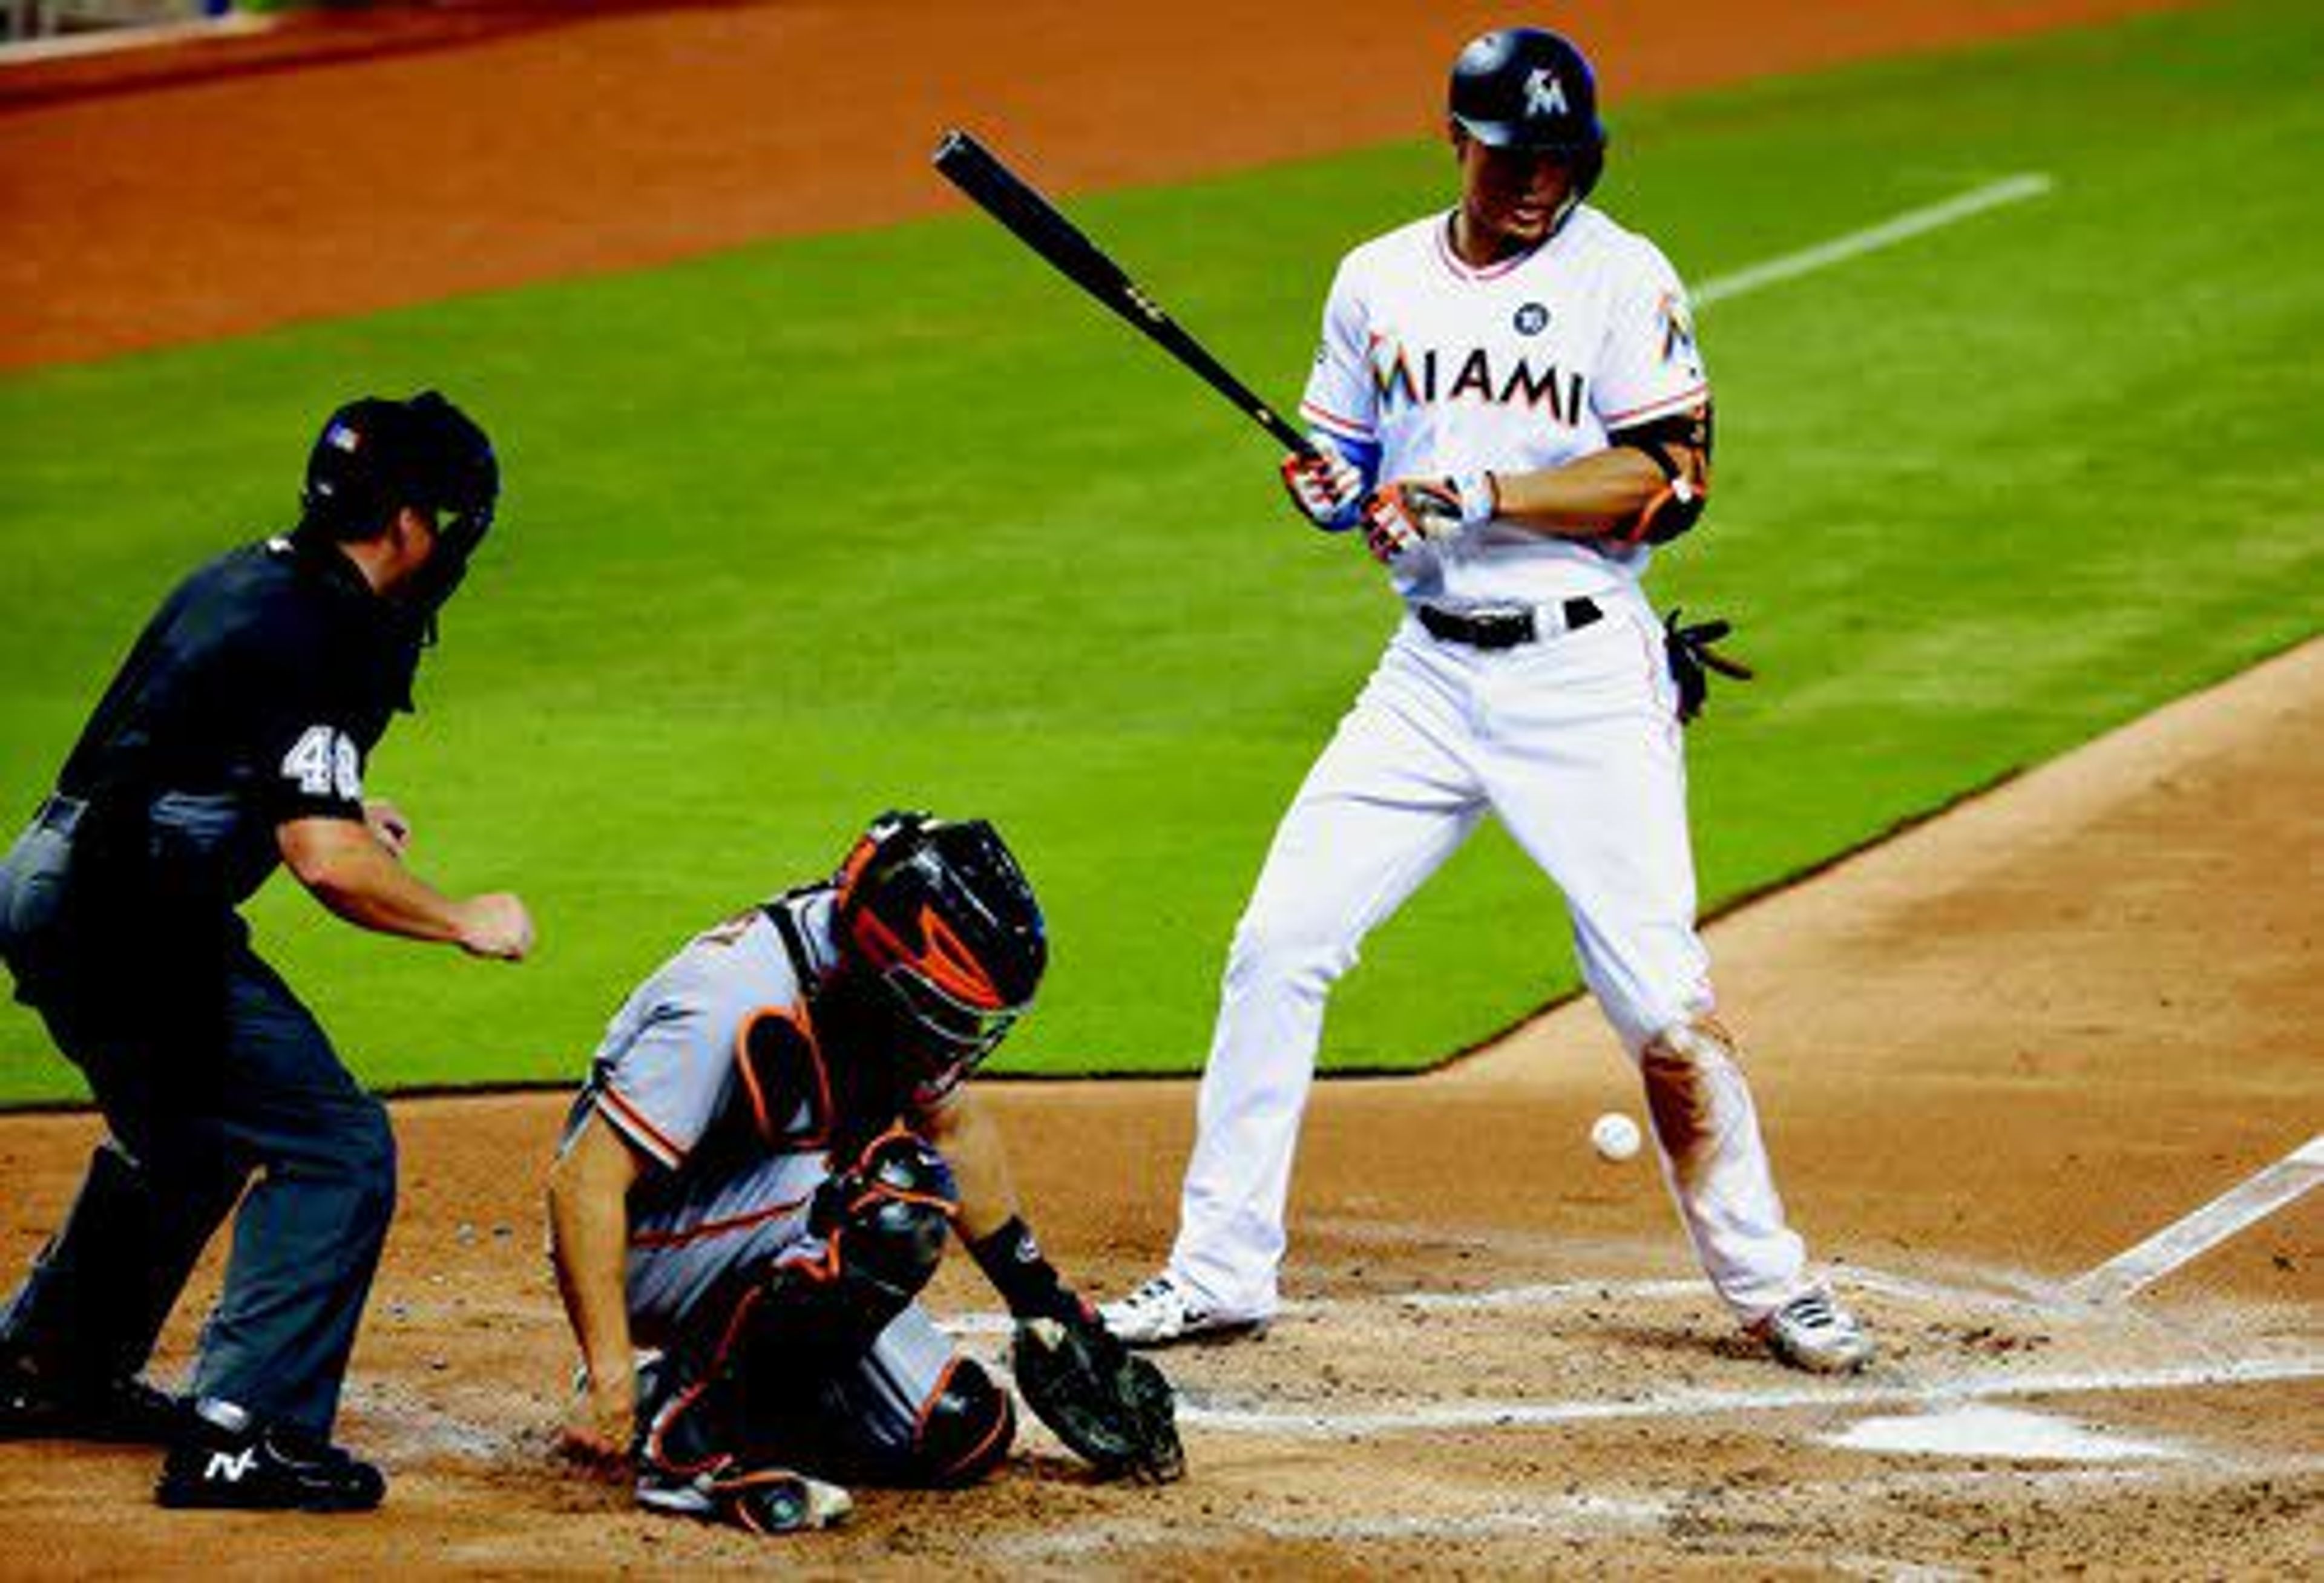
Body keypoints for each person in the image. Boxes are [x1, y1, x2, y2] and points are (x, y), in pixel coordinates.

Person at [1100, 27, 1874, 1374]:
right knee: (1278, 945)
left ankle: (1770, 1282)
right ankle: (1219, 1272)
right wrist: (1330, 488)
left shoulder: (1622, 279)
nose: (1537, 182)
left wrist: (1483, 492)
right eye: (1515, 155)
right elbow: (1342, 449)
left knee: (1659, 1002)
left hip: (1582, 675)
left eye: (1562, 157)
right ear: (1455, 139)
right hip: (1429, 679)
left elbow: (1669, 481)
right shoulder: (1376, 279)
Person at [0, 391, 534, 1510]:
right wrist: (459, 917)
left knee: (189, 1137)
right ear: (408, 526)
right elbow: (327, 863)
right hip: (126, 916)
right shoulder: (327, 630)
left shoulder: (261, 579)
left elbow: (191, 746)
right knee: (335, 1146)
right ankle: (247, 1431)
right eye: (452, 517)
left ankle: (47, 1365)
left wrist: (339, 797)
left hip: (55, 881)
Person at [547, 810, 1178, 1538]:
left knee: (960, 1431)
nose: (961, 1035)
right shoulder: (729, 996)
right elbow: (583, 1182)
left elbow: (954, 1124)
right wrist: (609, 1370)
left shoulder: (879, 986)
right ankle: (689, 1450)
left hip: (769, 1229)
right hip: (644, 1246)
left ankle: (690, 1384)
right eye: (950, 1010)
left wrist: (1043, 1302)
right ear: (889, 961)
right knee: (896, 1197)